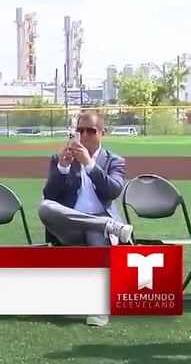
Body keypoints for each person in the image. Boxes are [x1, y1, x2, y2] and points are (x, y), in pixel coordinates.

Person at [38, 111, 129, 327]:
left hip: (97, 222)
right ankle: (108, 226)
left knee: (97, 233)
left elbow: (113, 191)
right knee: (45, 206)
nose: (84, 135)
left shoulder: (114, 160)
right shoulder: (60, 159)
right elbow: (50, 195)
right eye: (80, 130)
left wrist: (89, 164)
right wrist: (62, 167)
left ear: (102, 133)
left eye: (90, 131)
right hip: (70, 224)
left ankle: (98, 309)